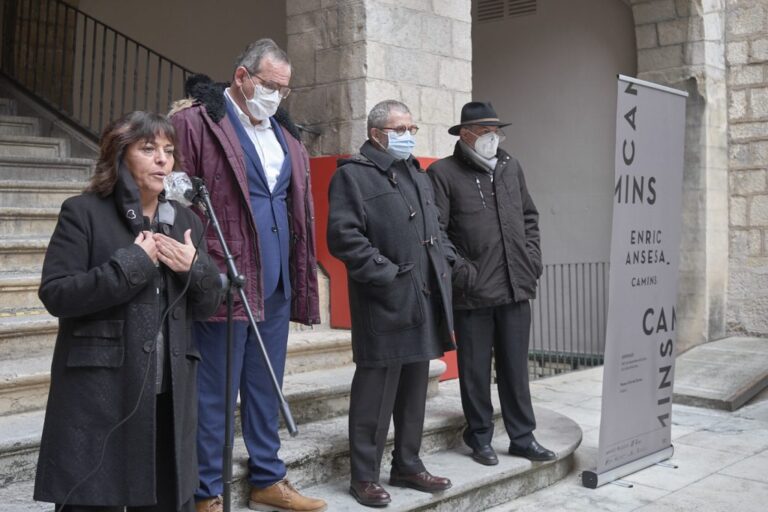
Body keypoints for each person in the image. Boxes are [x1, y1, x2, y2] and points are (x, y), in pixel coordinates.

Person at [33, 111, 224, 511]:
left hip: (169, 393)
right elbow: (56, 293)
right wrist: (132, 265)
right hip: (100, 391)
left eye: (168, 150)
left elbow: (207, 307)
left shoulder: (186, 220)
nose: (163, 159)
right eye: (148, 148)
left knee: (164, 497)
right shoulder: (83, 212)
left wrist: (196, 269)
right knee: (92, 498)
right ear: (120, 155)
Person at [169, 39, 324, 512]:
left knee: (265, 384)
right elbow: (174, 197)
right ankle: (207, 491)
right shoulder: (196, 123)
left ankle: (267, 477)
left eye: (285, 89)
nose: (278, 96)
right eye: (270, 85)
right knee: (214, 391)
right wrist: (198, 262)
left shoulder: (286, 134)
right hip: (223, 278)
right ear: (242, 76)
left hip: (276, 282)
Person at [327, 100, 455, 508]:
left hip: (423, 296)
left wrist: (445, 262)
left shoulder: (414, 171)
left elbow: (435, 227)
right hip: (383, 300)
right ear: (376, 134)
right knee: (375, 392)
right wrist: (386, 274)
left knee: (415, 387)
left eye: (411, 128)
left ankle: (407, 464)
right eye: (400, 129)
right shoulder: (353, 175)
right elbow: (344, 237)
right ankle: (364, 476)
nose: (408, 136)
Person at [428, 101, 556, 466]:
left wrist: (532, 258)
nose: (493, 138)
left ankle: (523, 437)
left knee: (516, 368)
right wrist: (461, 273)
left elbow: (529, 217)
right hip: (473, 291)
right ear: (466, 134)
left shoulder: (510, 166)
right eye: (485, 132)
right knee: (475, 370)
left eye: (496, 132)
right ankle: (480, 437)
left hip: (515, 285)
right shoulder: (443, 173)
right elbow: (437, 231)